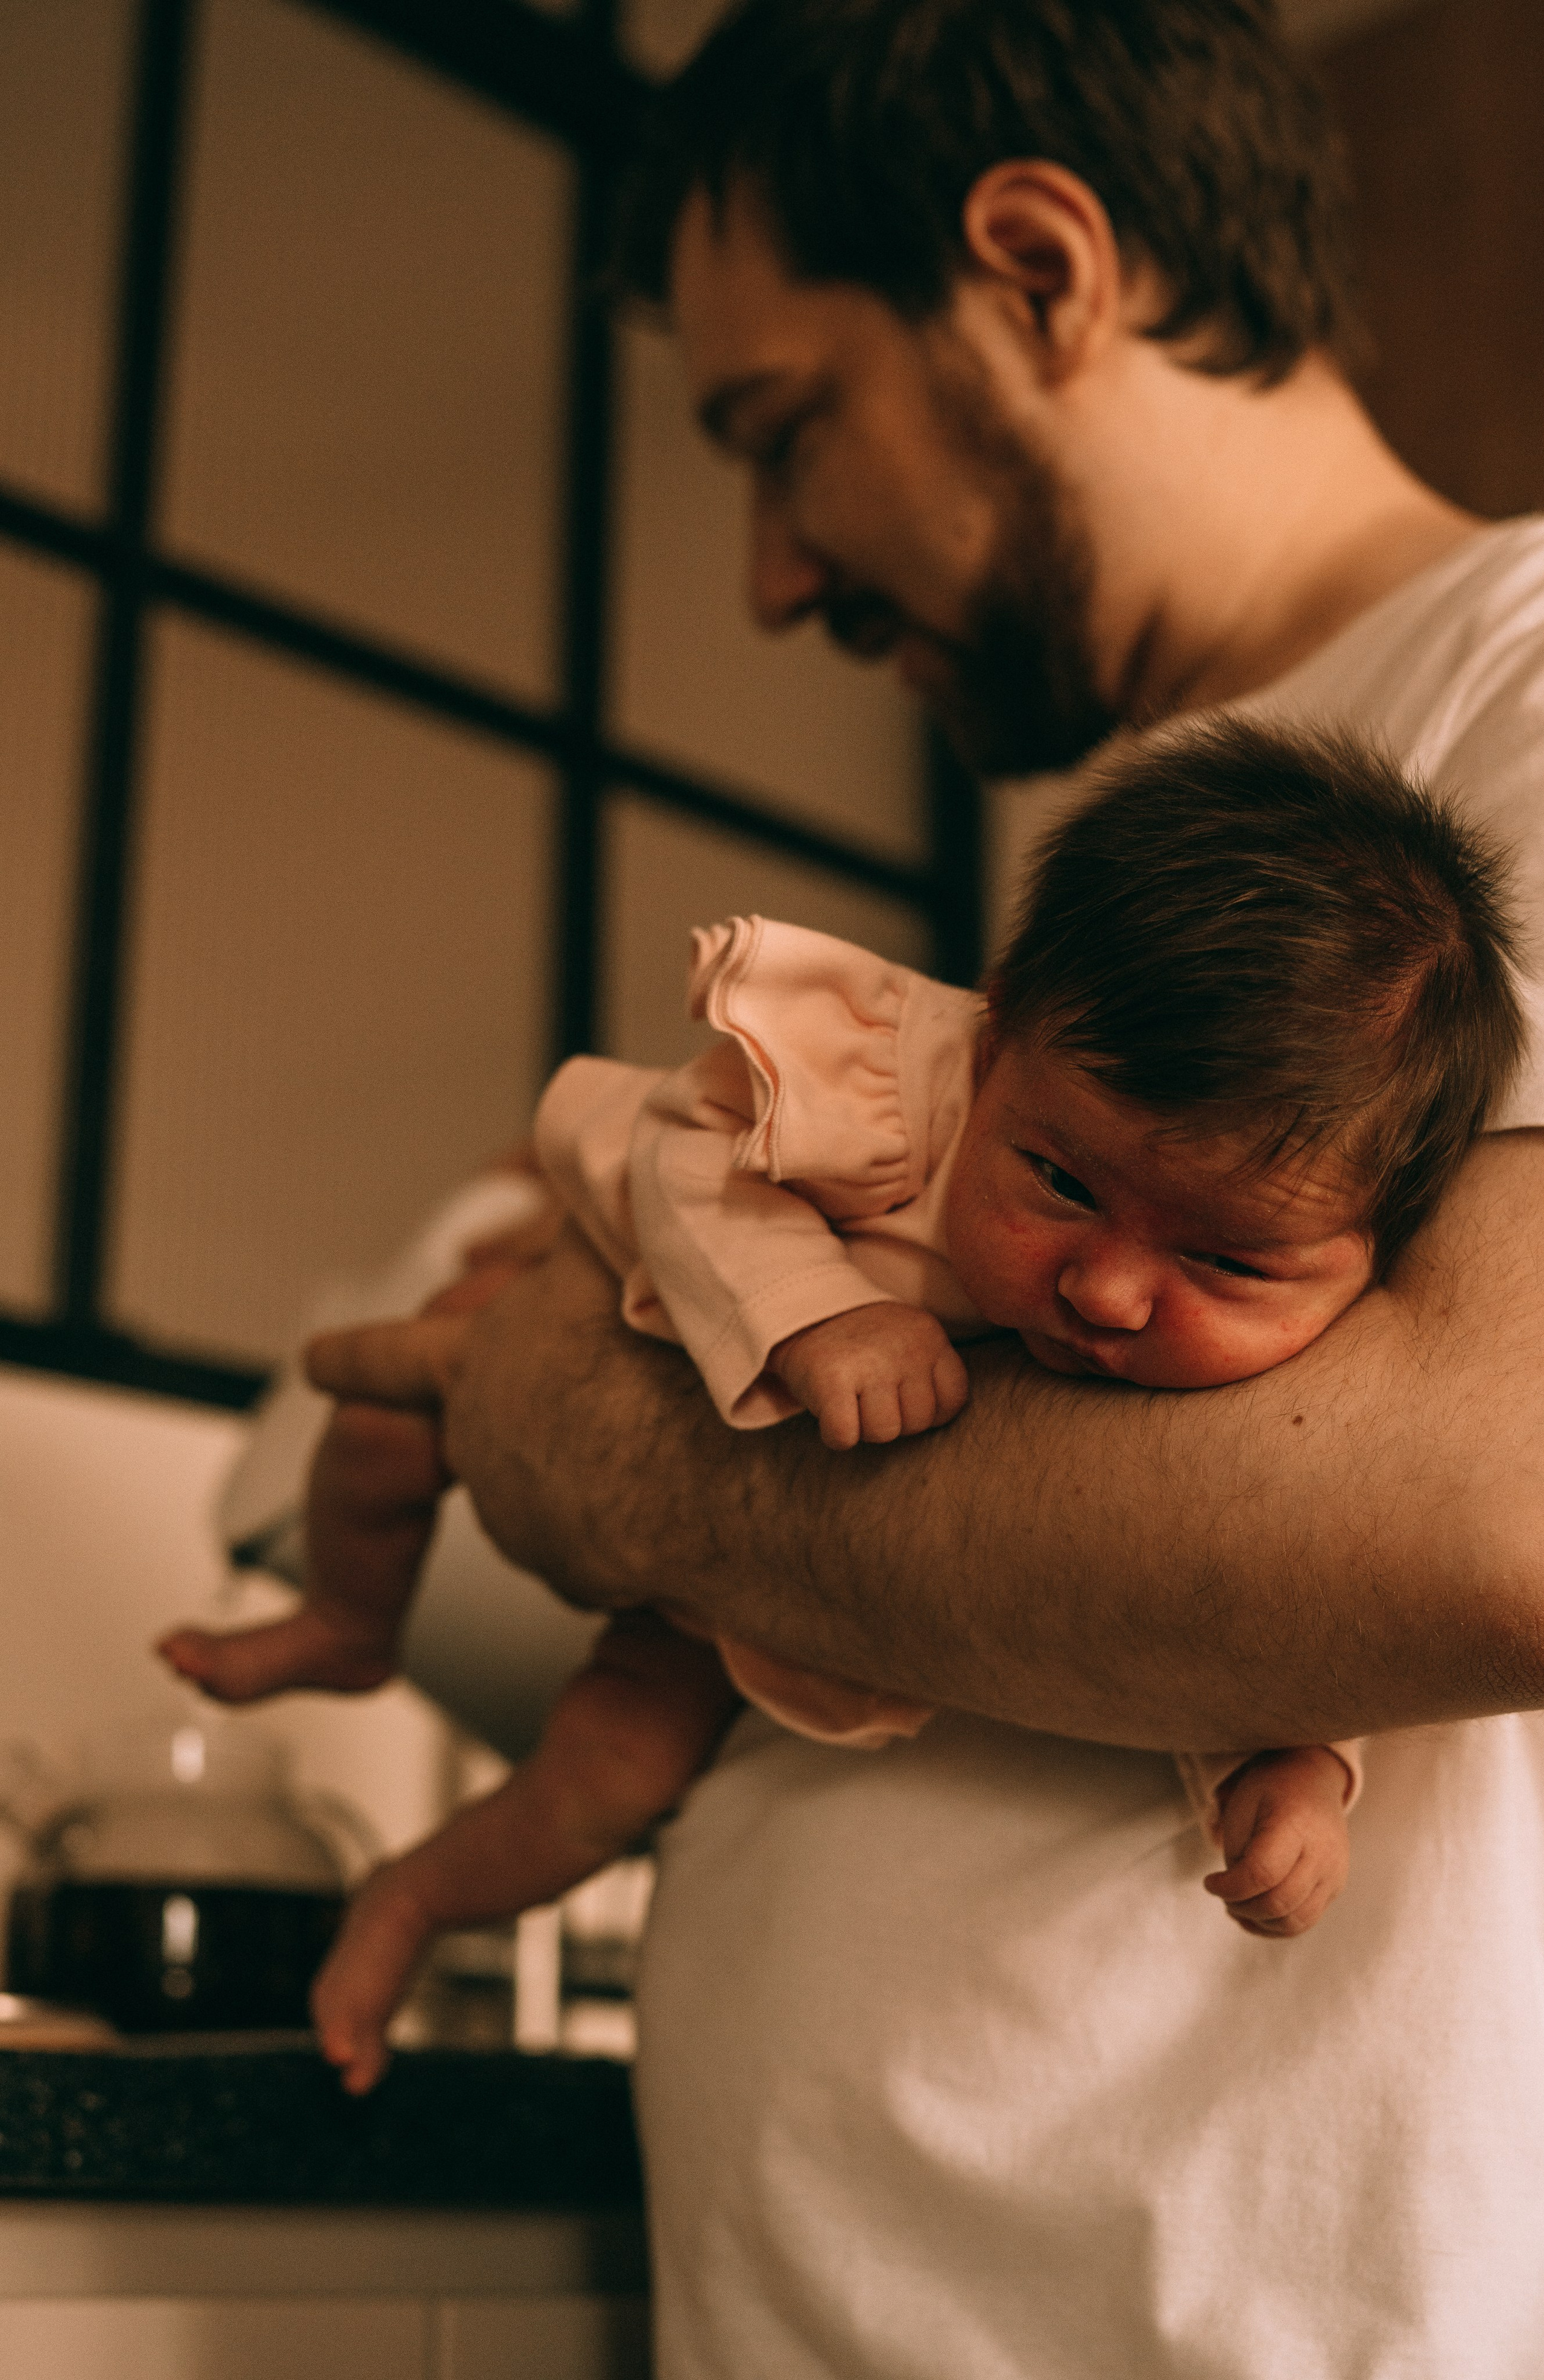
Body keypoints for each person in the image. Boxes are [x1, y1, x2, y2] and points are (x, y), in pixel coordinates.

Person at [251, 2, 1544, 2369]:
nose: (765, 576)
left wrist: (606, 1432)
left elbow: (1500, 1513)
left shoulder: (1515, 690)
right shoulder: (1127, 864)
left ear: (1037, 264)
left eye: (784, 429)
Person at [171, 719, 1521, 2098]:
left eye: (1226, 1259)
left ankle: (409, 1899)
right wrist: (814, 1308)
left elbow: (1264, 1570)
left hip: (743, 1593)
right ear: (996, 1039)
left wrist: (1300, 1765)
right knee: (394, 1394)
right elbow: (685, 1148)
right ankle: (346, 1615)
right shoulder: (897, 1077)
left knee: (606, 1781)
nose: (1108, 1291)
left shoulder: (1329, 1338)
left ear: (1377, 1244)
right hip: (652, 1314)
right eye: (1058, 1181)